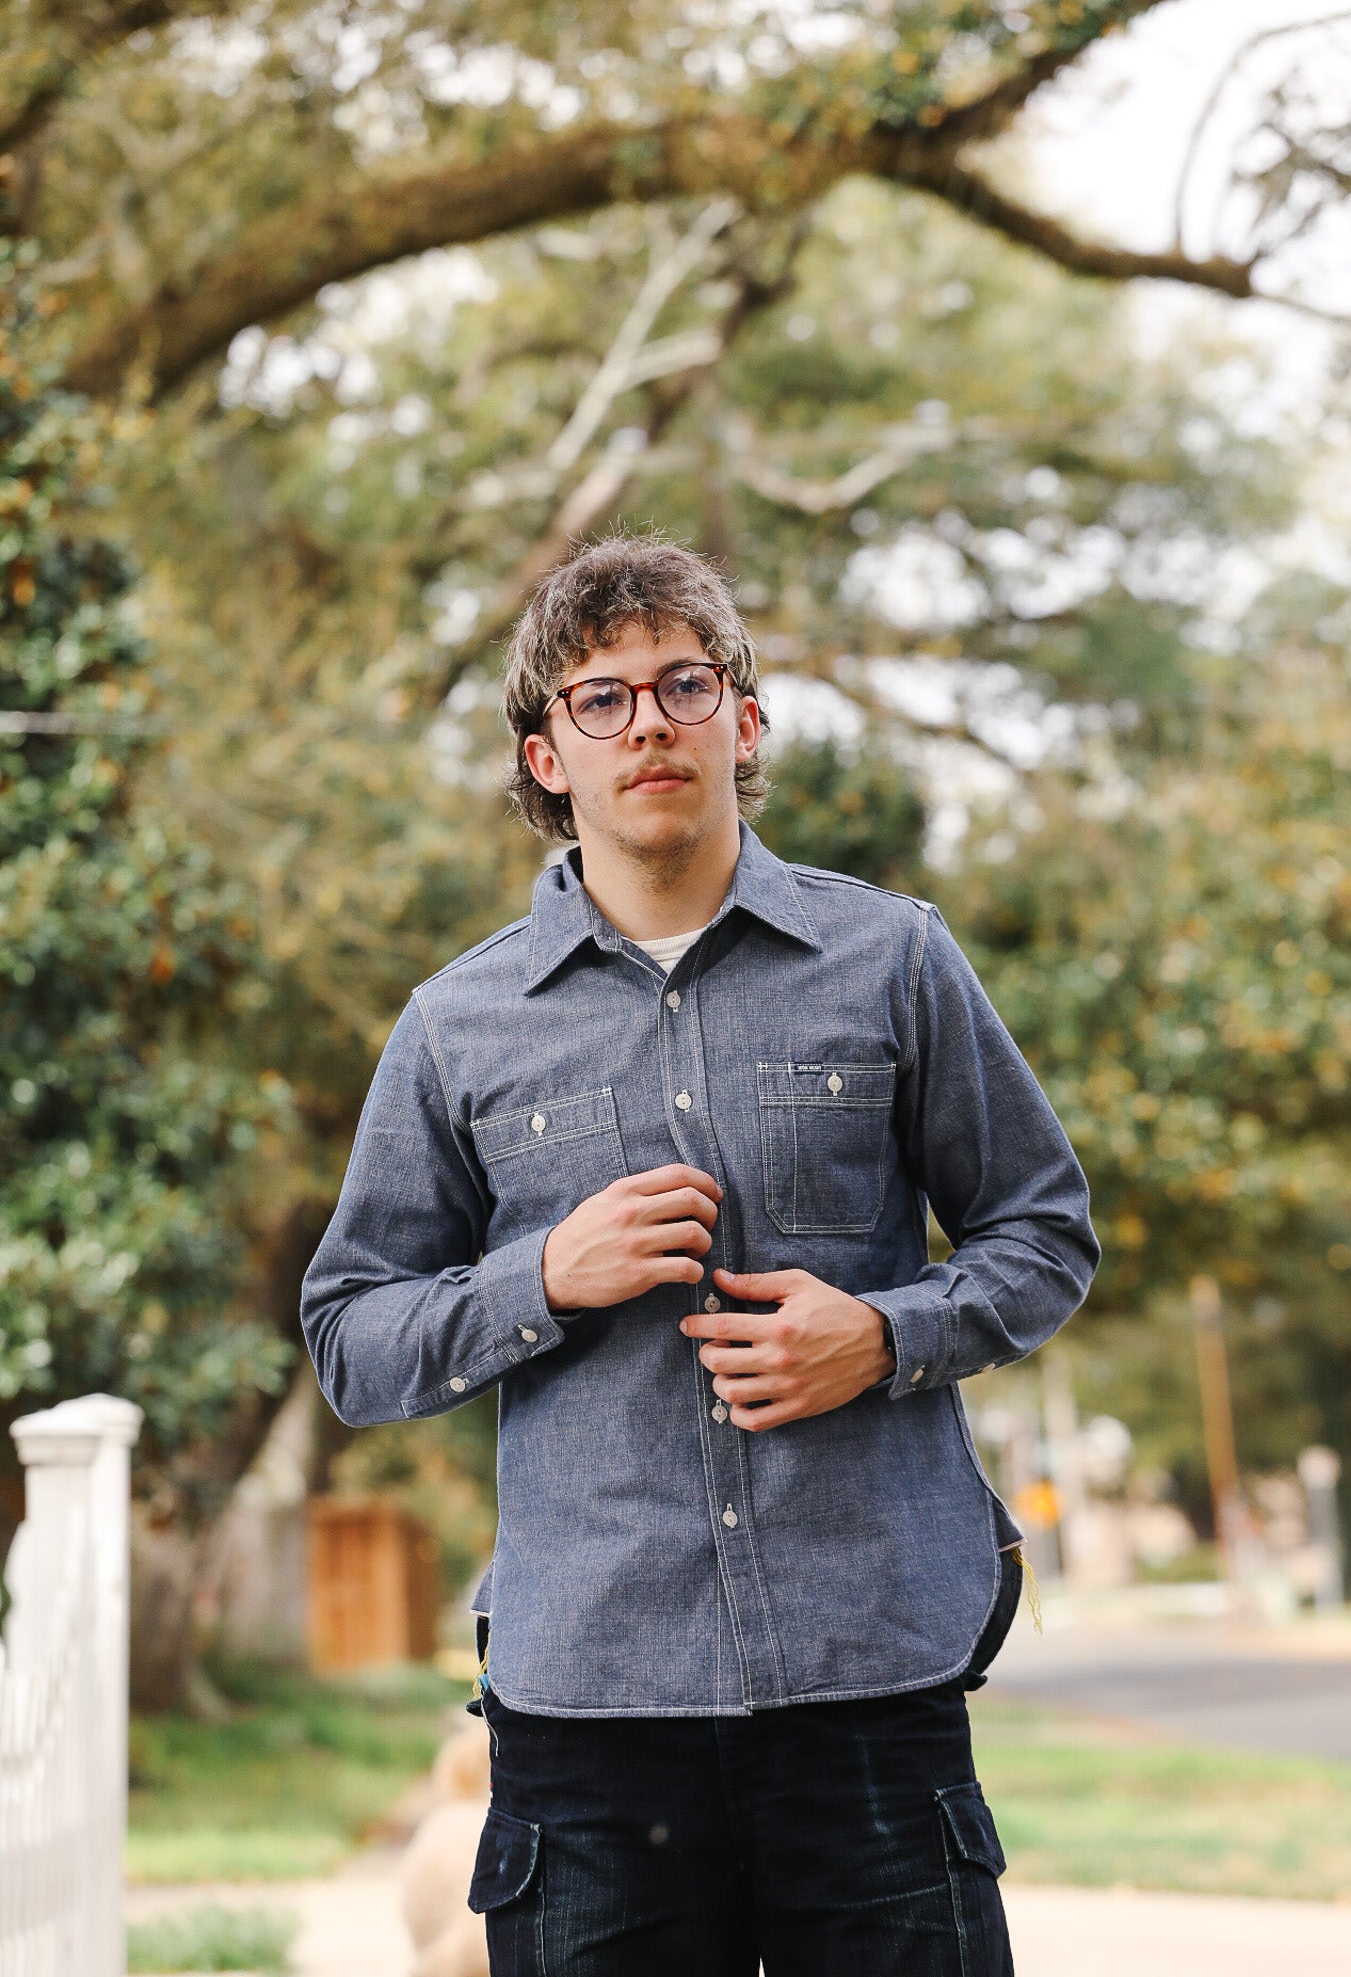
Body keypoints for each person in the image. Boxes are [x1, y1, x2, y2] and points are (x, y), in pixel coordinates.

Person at [302, 534, 1099, 1976]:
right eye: (598, 699)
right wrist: (539, 1277)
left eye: (682, 682)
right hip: (590, 1718)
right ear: (547, 756)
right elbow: (349, 1337)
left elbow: (1043, 1233)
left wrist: (883, 1335)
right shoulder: (455, 1025)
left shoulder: (895, 961)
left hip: (869, 1681)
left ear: (744, 719)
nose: (648, 722)